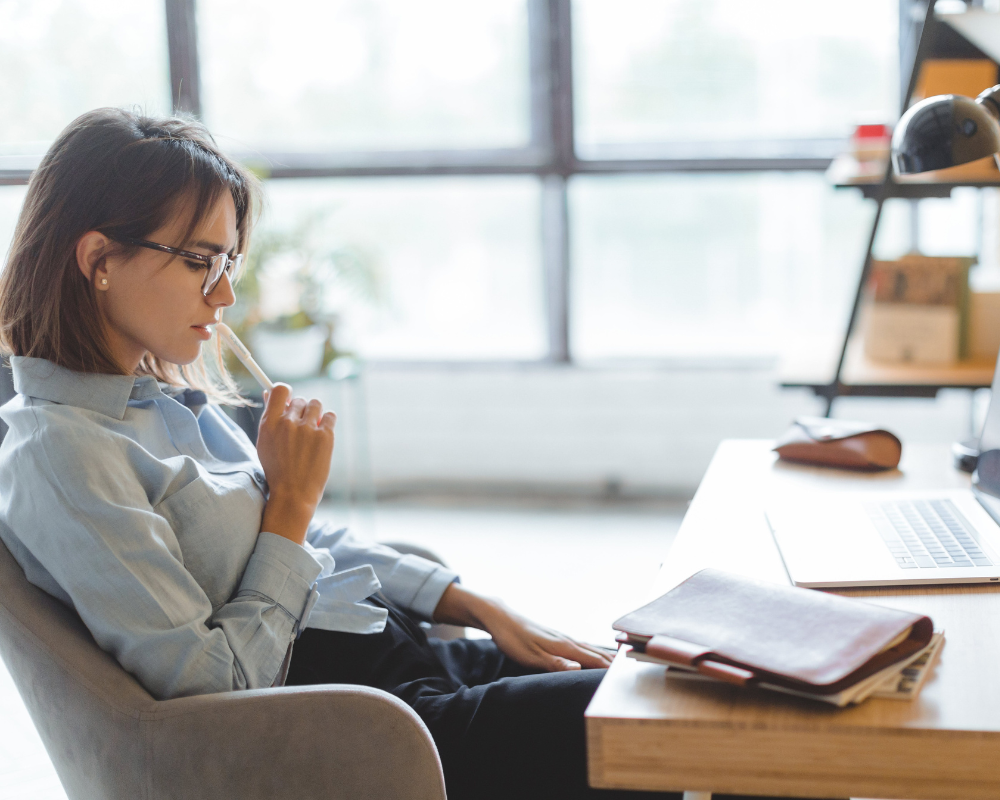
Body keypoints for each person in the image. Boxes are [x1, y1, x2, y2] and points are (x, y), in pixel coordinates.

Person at [0, 108, 826, 800]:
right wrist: (288, 505)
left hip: (393, 657)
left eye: (229, 264)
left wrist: (473, 605)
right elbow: (214, 687)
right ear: (99, 259)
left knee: (719, 680)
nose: (223, 295)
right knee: (705, 725)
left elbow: (308, 555)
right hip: (360, 726)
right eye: (198, 262)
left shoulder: (165, 400)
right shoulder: (61, 454)